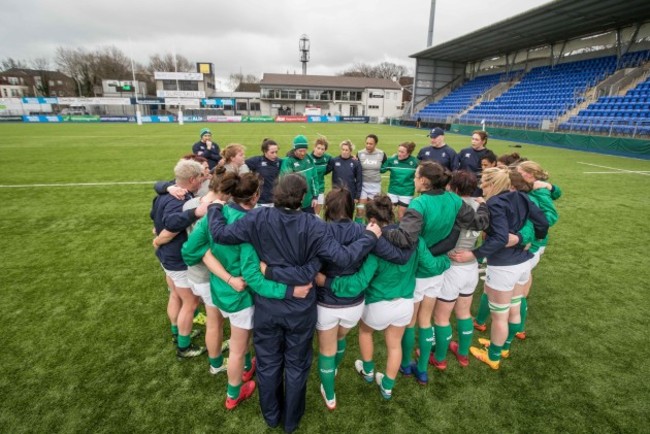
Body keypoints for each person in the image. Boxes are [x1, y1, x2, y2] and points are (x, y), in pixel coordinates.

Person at [208, 174, 382, 433]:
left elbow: (220, 233)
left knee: (270, 362)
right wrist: (370, 236)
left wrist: (214, 205)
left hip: (272, 306)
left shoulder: (264, 218)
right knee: (295, 364)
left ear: (277, 193)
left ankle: (276, 417)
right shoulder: (306, 223)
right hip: (296, 307)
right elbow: (344, 258)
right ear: (302, 198)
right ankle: (288, 419)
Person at [321, 195, 449, 400]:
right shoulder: (415, 239)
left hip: (377, 305)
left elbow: (360, 282)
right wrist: (446, 261)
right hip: (405, 303)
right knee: (394, 345)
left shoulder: (373, 245)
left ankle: (369, 371)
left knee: (365, 332)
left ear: (372, 221)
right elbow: (432, 266)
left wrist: (327, 282)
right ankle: (387, 386)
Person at [383, 161, 490, 383]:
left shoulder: (419, 204)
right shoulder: (453, 199)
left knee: (410, 322)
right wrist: (484, 205)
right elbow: (478, 223)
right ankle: (422, 369)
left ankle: (405, 365)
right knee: (425, 320)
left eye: (416, 176)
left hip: (419, 269)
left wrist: (384, 231)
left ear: (424, 180)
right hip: (438, 269)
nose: (414, 179)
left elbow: (406, 239)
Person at [450, 167, 549, 370]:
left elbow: (501, 237)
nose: (481, 187)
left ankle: (493, 356)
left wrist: (475, 254)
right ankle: (503, 346)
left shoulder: (496, 203)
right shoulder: (521, 196)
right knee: (514, 308)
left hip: (504, 266)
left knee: (500, 317)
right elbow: (543, 222)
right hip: (523, 261)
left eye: (484, 183)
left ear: (493, 184)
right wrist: (527, 239)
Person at [155, 168, 229, 374]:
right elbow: (203, 248)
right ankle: (213, 361)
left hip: (191, 271)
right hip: (204, 274)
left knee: (183, 300)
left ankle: (179, 335)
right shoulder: (215, 210)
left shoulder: (189, 202)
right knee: (213, 320)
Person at [150, 159, 209, 359]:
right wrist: (195, 212)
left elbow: (153, 217)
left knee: (175, 295)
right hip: (176, 259)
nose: (203, 181)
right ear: (192, 179)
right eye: (201, 177)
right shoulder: (179, 201)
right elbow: (171, 225)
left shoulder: (164, 195)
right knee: (190, 303)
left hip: (166, 258)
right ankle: (184, 347)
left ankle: (177, 333)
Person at [429, 171, 483, 368]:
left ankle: (440, 358)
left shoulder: (453, 206)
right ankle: (462, 354)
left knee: (441, 316)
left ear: (455, 188)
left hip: (452, 266)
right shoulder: (480, 205)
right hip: (471, 266)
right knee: (463, 312)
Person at [280, 135, 319, 213]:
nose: (302, 153)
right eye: (300, 151)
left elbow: (314, 178)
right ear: (294, 149)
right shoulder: (288, 162)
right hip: (294, 204)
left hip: (308, 202)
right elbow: (285, 184)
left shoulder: (309, 159)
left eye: (304, 150)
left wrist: (315, 197)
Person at [382, 141, 418, 220]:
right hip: (393, 191)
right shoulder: (392, 160)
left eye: (402, 152)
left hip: (406, 193)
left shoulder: (415, 162)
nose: (399, 153)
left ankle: (400, 231)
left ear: (408, 153)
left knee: (401, 215)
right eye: (398, 151)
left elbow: (421, 174)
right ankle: (388, 229)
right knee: (387, 213)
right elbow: (381, 170)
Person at [357, 134, 387, 222]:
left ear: (375, 144)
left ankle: (369, 230)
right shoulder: (359, 153)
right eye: (367, 143)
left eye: (371, 144)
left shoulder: (381, 154)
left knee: (372, 211)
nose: (368, 145)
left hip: (375, 185)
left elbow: (386, 166)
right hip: (362, 185)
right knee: (360, 209)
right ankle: (357, 230)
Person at [245, 138, 282, 207]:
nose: (275, 155)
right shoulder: (256, 161)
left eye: (276, 152)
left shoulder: (279, 162)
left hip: (275, 200)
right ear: (265, 151)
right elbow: (240, 163)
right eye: (272, 152)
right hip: (261, 201)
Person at [327, 140, 362, 204]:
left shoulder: (355, 163)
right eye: (343, 149)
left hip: (350, 194)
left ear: (350, 151)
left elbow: (359, 181)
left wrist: (357, 196)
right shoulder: (334, 161)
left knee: (348, 213)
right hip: (336, 193)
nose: (344, 152)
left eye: (346, 150)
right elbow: (324, 171)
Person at [311, 137, 332, 215]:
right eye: (318, 148)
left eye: (322, 149)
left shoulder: (328, 158)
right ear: (314, 147)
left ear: (325, 150)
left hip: (320, 189)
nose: (320, 151)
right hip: (309, 190)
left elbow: (338, 161)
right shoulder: (308, 158)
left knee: (316, 215)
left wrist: (353, 158)